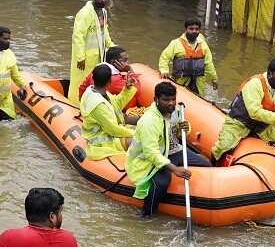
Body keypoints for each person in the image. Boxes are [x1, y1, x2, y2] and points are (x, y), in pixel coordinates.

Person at [125, 82, 212, 217]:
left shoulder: (175, 111)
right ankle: (146, 215)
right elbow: (151, 153)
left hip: (175, 150)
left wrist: (184, 127)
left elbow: (176, 134)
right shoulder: (149, 121)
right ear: (156, 100)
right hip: (150, 160)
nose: (171, 103)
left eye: (173, 99)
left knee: (207, 165)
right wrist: (175, 169)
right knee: (161, 183)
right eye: (166, 100)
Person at [211, 58, 275, 163]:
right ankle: (212, 166)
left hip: (263, 129)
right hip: (238, 123)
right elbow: (254, 112)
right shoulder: (255, 84)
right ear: (270, 73)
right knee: (223, 147)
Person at [68, 0, 114, 105]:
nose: (102, 0)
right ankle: (75, 104)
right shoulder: (85, 13)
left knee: (94, 83)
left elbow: (105, 31)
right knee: (80, 82)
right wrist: (80, 57)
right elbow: (78, 36)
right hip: (85, 58)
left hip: (97, 56)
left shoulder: (103, 12)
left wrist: (112, 48)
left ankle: (91, 104)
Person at [81, 64, 137, 160]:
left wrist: (126, 89)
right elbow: (112, 129)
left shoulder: (97, 92)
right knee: (139, 139)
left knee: (139, 129)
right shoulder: (98, 104)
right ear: (110, 81)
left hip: (111, 130)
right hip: (102, 140)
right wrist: (136, 133)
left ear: (93, 78)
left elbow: (116, 104)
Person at [159, 17, 218, 97]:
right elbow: (164, 58)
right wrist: (164, 70)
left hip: (198, 83)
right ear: (186, 29)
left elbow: (209, 63)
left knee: (199, 100)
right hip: (180, 81)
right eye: (191, 28)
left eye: (196, 29)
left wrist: (214, 79)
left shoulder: (203, 45)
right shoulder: (176, 43)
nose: (194, 31)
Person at [77, 46, 141, 113]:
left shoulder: (97, 70)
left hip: (97, 108)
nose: (127, 63)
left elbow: (82, 88)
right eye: (124, 60)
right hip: (113, 112)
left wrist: (84, 107)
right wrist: (130, 71)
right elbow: (138, 92)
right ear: (114, 62)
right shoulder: (116, 79)